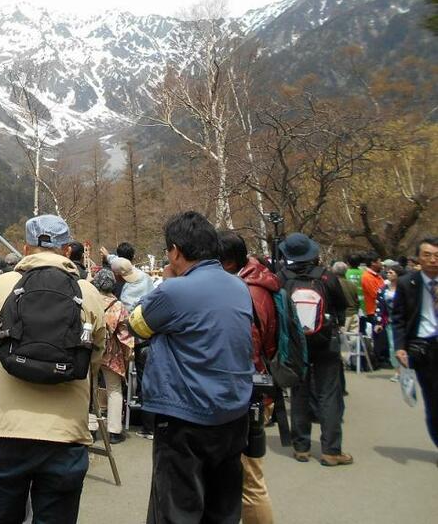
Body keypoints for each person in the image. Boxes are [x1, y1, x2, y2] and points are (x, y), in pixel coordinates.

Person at [0, 214, 105, 524]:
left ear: (25, 247)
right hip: (66, 433)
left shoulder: (1, 286)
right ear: (67, 250)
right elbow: (95, 357)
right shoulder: (88, 293)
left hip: (7, 428)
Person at [128, 212, 253, 524]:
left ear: (175, 251)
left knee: (176, 512)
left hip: (185, 418)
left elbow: (136, 325)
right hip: (232, 415)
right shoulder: (238, 287)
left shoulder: (174, 291)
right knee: (221, 511)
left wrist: (168, 283)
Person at [217, 231, 279, 524]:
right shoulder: (261, 282)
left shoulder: (245, 292)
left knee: (250, 483)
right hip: (258, 387)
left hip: (247, 394)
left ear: (226, 262)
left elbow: (245, 350)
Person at [278, 232, 350, 466]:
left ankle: (301, 447)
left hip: (296, 345)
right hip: (325, 342)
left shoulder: (282, 278)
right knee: (329, 394)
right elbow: (341, 306)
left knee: (299, 391)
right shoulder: (326, 277)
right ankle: (331, 449)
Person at [391, 236, 438, 451]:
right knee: (433, 402)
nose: (432, 260)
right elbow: (398, 317)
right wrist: (400, 347)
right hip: (422, 347)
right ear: (418, 258)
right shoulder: (407, 283)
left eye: (436, 256)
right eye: (427, 255)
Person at [91, 267, 131, 444]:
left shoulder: (90, 301)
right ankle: (114, 431)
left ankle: (90, 428)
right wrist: (128, 354)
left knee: (90, 389)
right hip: (111, 352)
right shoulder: (118, 306)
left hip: (91, 349)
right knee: (114, 389)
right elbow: (125, 335)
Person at [101, 242, 155, 311]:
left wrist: (107, 255)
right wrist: (108, 256)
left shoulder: (120, 286)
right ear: (134, 256)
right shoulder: (145, 277)